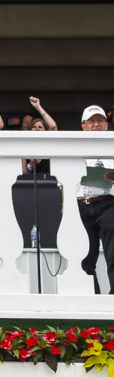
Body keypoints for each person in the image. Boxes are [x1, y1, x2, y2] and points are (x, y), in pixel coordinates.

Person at [77, 105, 114, 294]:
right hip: (82, 206)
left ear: (107, 124)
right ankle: (93, 300)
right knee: (85, 258)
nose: (96, 124)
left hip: (109, 204)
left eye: (100, 121)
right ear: (83, 126)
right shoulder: (73, 147)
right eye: (91, 121)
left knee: (113, 255)